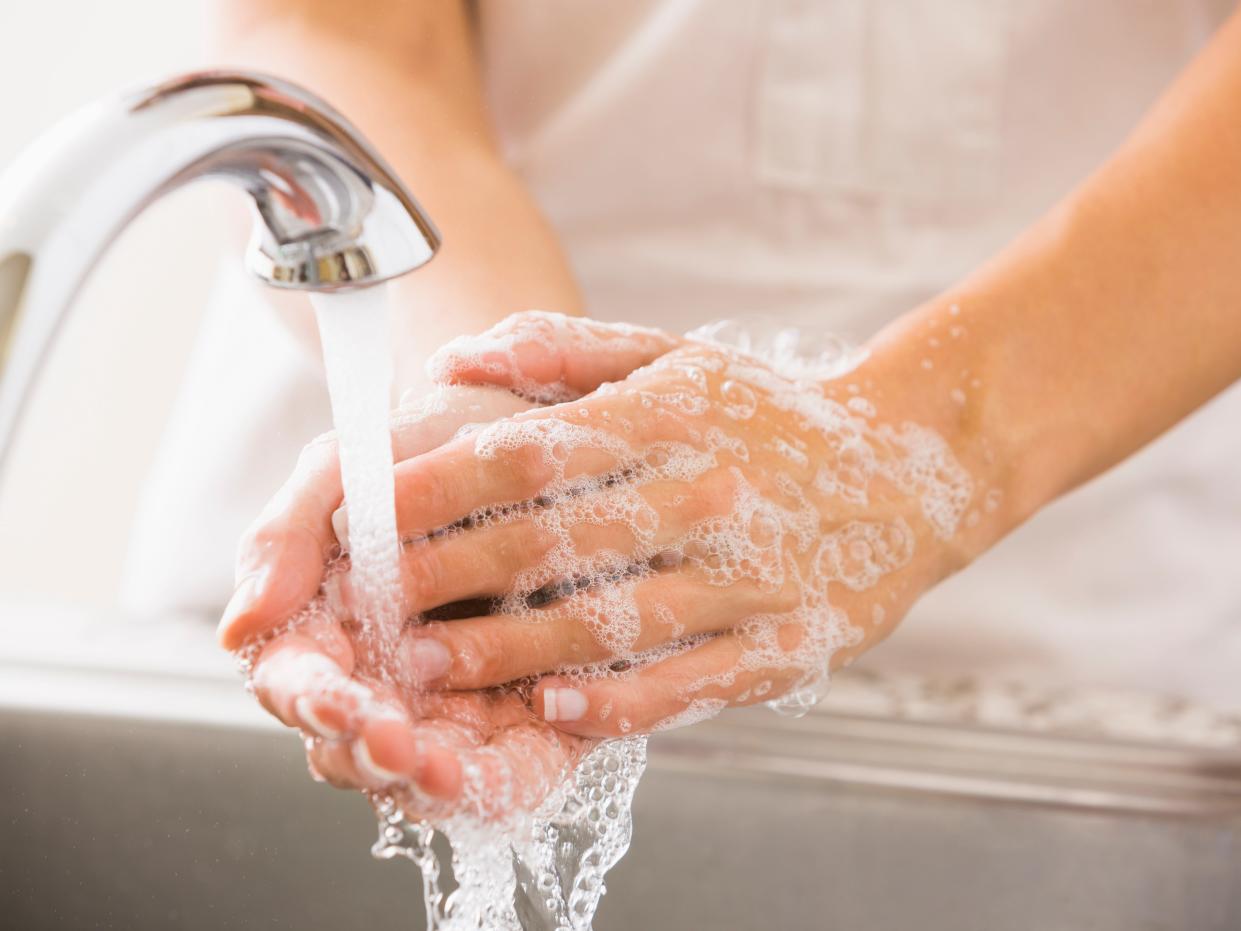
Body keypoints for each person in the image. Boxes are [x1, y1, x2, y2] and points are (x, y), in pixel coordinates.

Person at [124, 1, 1241, 809]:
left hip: (1065, 624)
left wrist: (931, 445)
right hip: (405, 508)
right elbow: (339, 23)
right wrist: (505, 434)